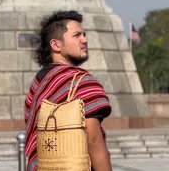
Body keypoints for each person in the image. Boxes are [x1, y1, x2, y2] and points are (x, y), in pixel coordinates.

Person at [24, 10, 113, 171]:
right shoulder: (83, 83)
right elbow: (94, 143)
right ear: (56, 45)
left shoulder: (38, 83)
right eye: (77, 35)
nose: (84, 40)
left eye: (84, 34)